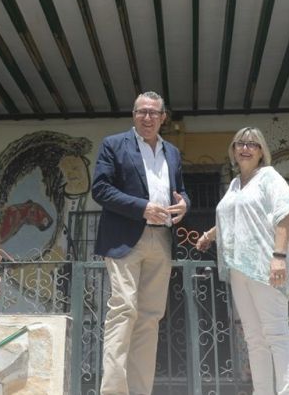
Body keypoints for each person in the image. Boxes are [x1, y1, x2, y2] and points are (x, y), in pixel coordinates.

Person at [92, 91, 190, 395]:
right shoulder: (113, 144)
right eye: (141, 112)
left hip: (161, 239)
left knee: (149, 318)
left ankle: (139, 391)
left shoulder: (171, 152)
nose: (147, 118)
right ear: (134, 115)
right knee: (124, 310)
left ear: (163, 118)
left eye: (153, 113)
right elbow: (100, 189)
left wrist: (184, 203)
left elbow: (181, 190)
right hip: (125, 238)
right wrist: (141, 207)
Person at [196, 127, 289, 395]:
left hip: (266, 265)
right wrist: (209, 235)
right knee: (254, 338)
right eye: (240, 143)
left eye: (252, 144)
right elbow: (232, 217)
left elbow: (285, 215)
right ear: (233, 150)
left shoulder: (269, 177)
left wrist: (279, 257)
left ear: (261, 151)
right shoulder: (234, 184)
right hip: (238, 268)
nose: (245, 148)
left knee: (276, 333)